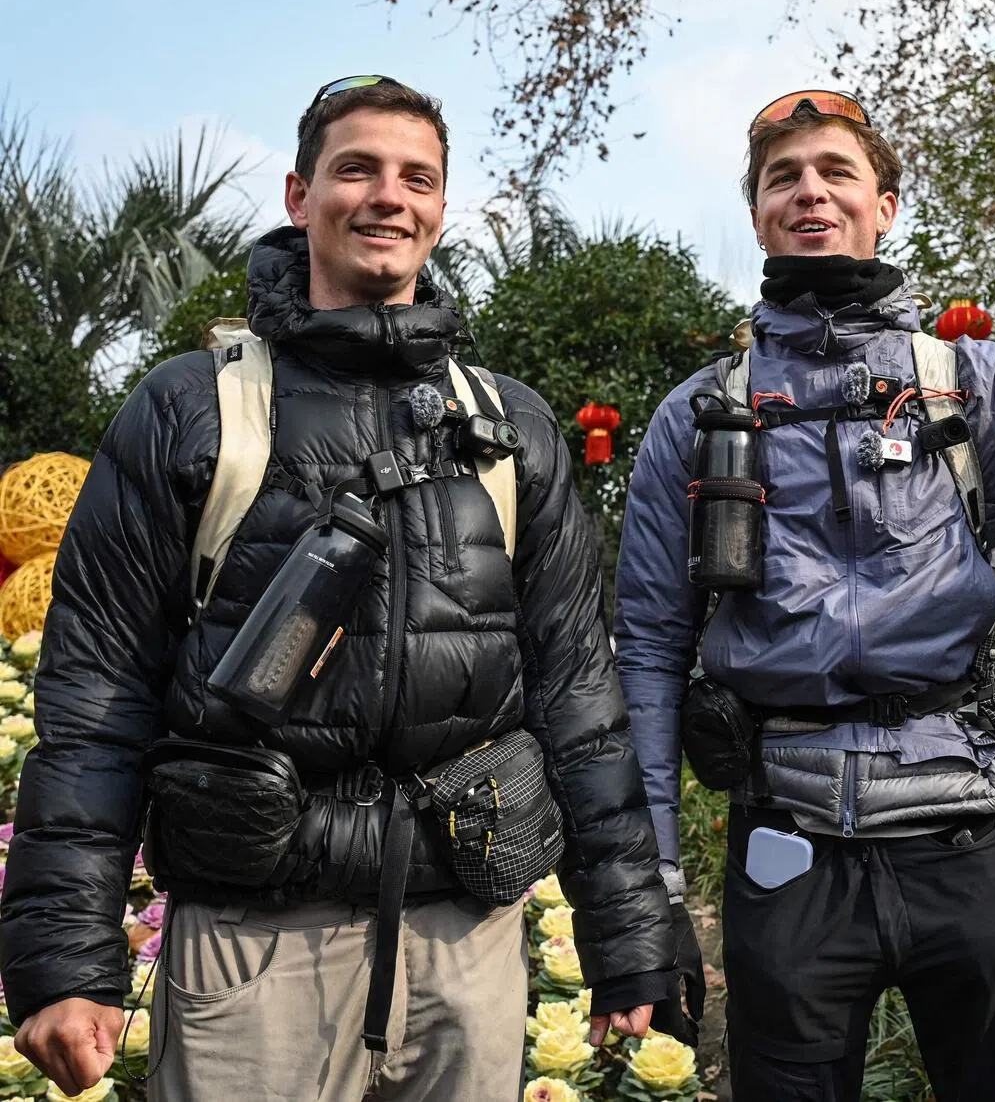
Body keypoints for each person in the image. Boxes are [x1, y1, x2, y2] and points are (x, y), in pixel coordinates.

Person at [0, 76, 680, 1101]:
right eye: (356, 168)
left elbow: (580, 696)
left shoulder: (511, 429)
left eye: (418, 177)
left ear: (441, 209)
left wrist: (629, 934)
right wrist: (64, 958)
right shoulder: (191, 413)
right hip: (252, 945)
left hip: (467, 944)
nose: (387, 197)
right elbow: (98, 695)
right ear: (298, 193)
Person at [614, 88, 995, 1101]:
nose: (808, 192)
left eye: (834, 172)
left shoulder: (974, 383)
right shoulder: (698, 417)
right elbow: (646, 649)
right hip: (787, 853)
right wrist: (658, 886)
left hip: (966, 843)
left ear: (885, 203)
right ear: (760, 212)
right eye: (782, 179)